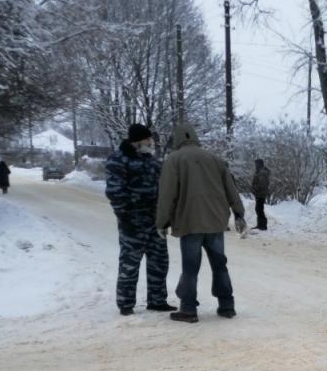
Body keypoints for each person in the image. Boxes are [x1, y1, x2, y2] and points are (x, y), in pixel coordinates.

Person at [156, 121, 247, 323]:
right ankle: (227, 305)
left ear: (178, 139)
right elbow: (231, 188)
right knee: (220, 264)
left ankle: (188, 309)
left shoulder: (174, 160)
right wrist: (239, 213)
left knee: (190, 267)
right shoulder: (214, 159)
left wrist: (162, 222)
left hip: (190, 222)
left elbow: (167, 194)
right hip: (216, 221)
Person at [104, 124, 174, 316]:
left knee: (159, 261)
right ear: (138, 140)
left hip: (154, 221)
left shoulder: (151, 161)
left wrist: (164, 216)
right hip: (132, 221)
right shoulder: (118, 160)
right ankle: (126, 304)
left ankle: (157, 300)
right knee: (130, 263)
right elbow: (114, 192)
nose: (151, 142)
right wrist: (124, 216)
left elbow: (162, 189)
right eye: (148, 139)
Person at [251, 158, 270, 230]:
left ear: (260, 164)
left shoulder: (262, 173)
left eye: (256, 164)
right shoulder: (259, 172)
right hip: (259, 193)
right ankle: (260, 225)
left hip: (261, 193)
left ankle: (263, 225)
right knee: (258, 209)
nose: (255, 165)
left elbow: (262, 184)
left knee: (259, 209)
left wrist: (255, 188)